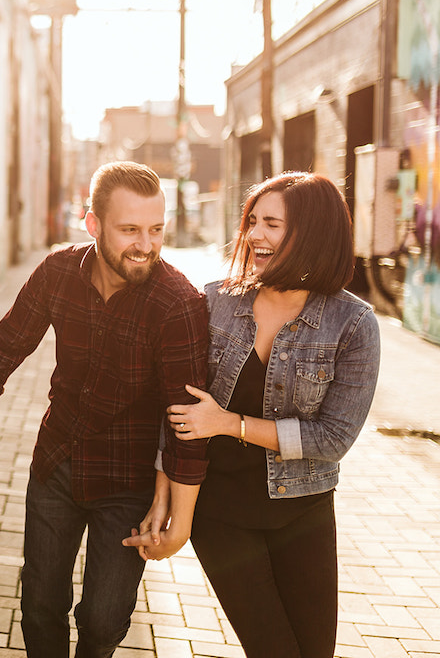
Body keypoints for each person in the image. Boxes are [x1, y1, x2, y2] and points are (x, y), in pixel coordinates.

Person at [0, 161, 210, 657]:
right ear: (93, 224)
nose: (145, 245)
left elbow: (186, 418)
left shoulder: (177, 303)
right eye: (129, 230)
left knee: (103, 620)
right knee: (40, 606)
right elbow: (6, 345)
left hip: (127, 482)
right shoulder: (59, 271)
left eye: (155, 229)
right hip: (56, 462)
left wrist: (180, 519)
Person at [128, 172, 381, 658]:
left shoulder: (352, 324)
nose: (254, 235)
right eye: (252, 222)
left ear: (312, 233)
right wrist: (163, 496)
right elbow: (176, 409)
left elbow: (334, 438)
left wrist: (230, 423)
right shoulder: (215, 303)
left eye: (272, 225)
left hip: (303, 510)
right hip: (221, 511)